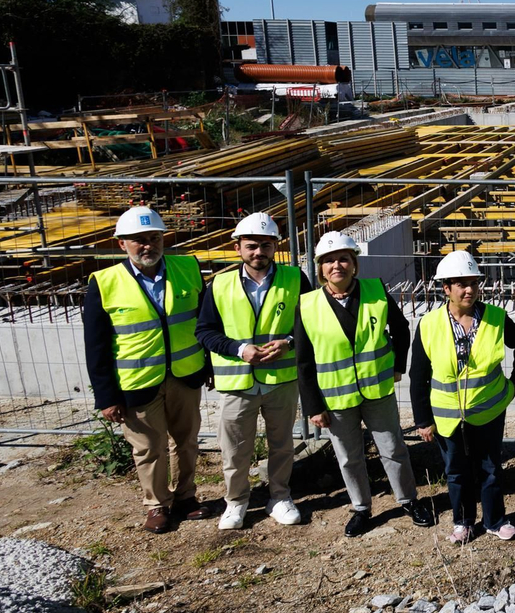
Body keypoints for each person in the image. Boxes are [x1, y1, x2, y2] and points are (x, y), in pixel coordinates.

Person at [296, 231, 434, 537]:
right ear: (320, 268)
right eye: (329, 261)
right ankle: (361, 507)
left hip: (377, 391)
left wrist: (398, 366)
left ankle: (409, 500)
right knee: (349, 456)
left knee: (393, 448)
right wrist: (313, 406)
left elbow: (401, 329)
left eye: (343, 259)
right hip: (336, 398)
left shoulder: (375, 290)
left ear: (354, 264)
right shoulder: (307, 305)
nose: (337, 266)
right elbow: (304, 362)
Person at [84, 205, 210, 533]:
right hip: (137, 382)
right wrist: (106, 397)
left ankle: (186, 497)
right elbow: (95, 346)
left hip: (185, 373)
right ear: (121, 243)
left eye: (154, 237)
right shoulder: (104, 283)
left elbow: (205, 322)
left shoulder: (188, 268)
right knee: (148, 448)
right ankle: (156, 505)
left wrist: (207, 366)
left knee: (186, 440)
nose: (147, 245)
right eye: (138, 240)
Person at [195, 212, 312, 531]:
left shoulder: (294, 278)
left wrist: (289, 341)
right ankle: (236, 502)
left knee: (282, 443)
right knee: (235, 450)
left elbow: (311, 321)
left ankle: (280, 496)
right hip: (237, 382)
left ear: (276, 246)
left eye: (266, 245)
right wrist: (239, 349)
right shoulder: (219, 284)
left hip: (280, 381)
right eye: (251, 245)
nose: (258, 251)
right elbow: (204, 331)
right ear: (237, 248)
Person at [412, 250, 515, 543]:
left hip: (488, 410)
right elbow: (418, 375)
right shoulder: (429, 324)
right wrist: (423, 420)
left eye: (473, 283)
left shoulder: (496, 318)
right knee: (456, 472)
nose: (468, 289)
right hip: (447, 414)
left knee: (490, 468)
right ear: (446, 288)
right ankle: (462, 522)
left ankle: (494, 520)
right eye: (461, 283)